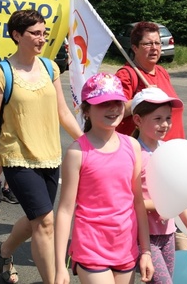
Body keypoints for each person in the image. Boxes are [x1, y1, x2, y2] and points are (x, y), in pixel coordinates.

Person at [0, 9, 83, 284]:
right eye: (35, 33)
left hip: (50, 155)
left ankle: (3, 251)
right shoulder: (1, 72)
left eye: (43, 33)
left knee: (38, 219)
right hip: (17, 157)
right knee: (45, 222)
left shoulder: (50, 67)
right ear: (17, 35)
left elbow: (63, 112)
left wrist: (88, 144)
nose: (42, 38)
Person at [113, 21, 187, 281]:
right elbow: (116, 111)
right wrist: (143, 97)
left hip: (171, 155)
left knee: (172, 219)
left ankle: (186, 268)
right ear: (134, 48)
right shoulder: (127, 74)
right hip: (145, 159)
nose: (154, 48)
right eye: (147, 43)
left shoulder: (163, 73)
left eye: (157, 43)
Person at [54, 73, 154, 284]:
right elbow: (65, 210)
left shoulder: (132, 146)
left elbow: (137, 202)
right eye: (103, 103)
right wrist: (59, 266)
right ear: (87, 110)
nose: (113, 109)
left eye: (117, 102)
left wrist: (145, 251)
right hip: (91, 249)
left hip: (126, 248)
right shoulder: (77, 152)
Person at [131, 87, 187, 283]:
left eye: (168, 118)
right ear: (138, 120)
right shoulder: (134, 154)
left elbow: (177, 194)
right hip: (143, 235)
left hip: (167, 234)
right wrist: (164, 204)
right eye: (157, 119)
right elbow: (130, 199)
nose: (165, 124)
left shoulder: (169, 151)